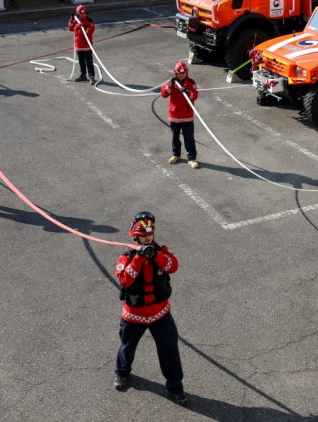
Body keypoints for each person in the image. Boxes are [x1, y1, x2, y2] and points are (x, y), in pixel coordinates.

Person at [114, 212, 188, 406]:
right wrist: (138, 259)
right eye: (143, 236)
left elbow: (173, 266)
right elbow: (124, 279)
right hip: (133, 315)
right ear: (135, 236)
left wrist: (156, 256)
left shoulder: (161, 251)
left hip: (160, 314)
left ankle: (176, 388)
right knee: (126, 348)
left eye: (150, 235)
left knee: (169, 351)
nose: (148, 238)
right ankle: (122, 373)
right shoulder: (126, 256)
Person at [161, 61, 199, 169]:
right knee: (175, 137)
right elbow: (163, 94)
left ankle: (192, 158)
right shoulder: (172, 83)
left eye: (183, 73)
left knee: (189, 137)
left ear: (186, 72)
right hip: (174, 116)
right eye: (179, 73)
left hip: (187, 116)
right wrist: (170, 87)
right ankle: (176, 155)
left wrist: (188, 92)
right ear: (175, 73)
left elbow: (195, 95)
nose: (181, 75)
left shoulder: (191, 83)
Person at [67, 5, 96, 83]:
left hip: (86, 46)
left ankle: (91, 76)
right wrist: (71, 19)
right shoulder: (76, 21)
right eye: (81, 13)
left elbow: (90, 31)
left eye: (84, 13)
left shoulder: (89, 21)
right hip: (78, 46)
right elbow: (70, 28)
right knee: (81, 61)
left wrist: (85, 27)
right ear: (78, 13)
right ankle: (83, 75)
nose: (83, 15)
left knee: (89, 62)